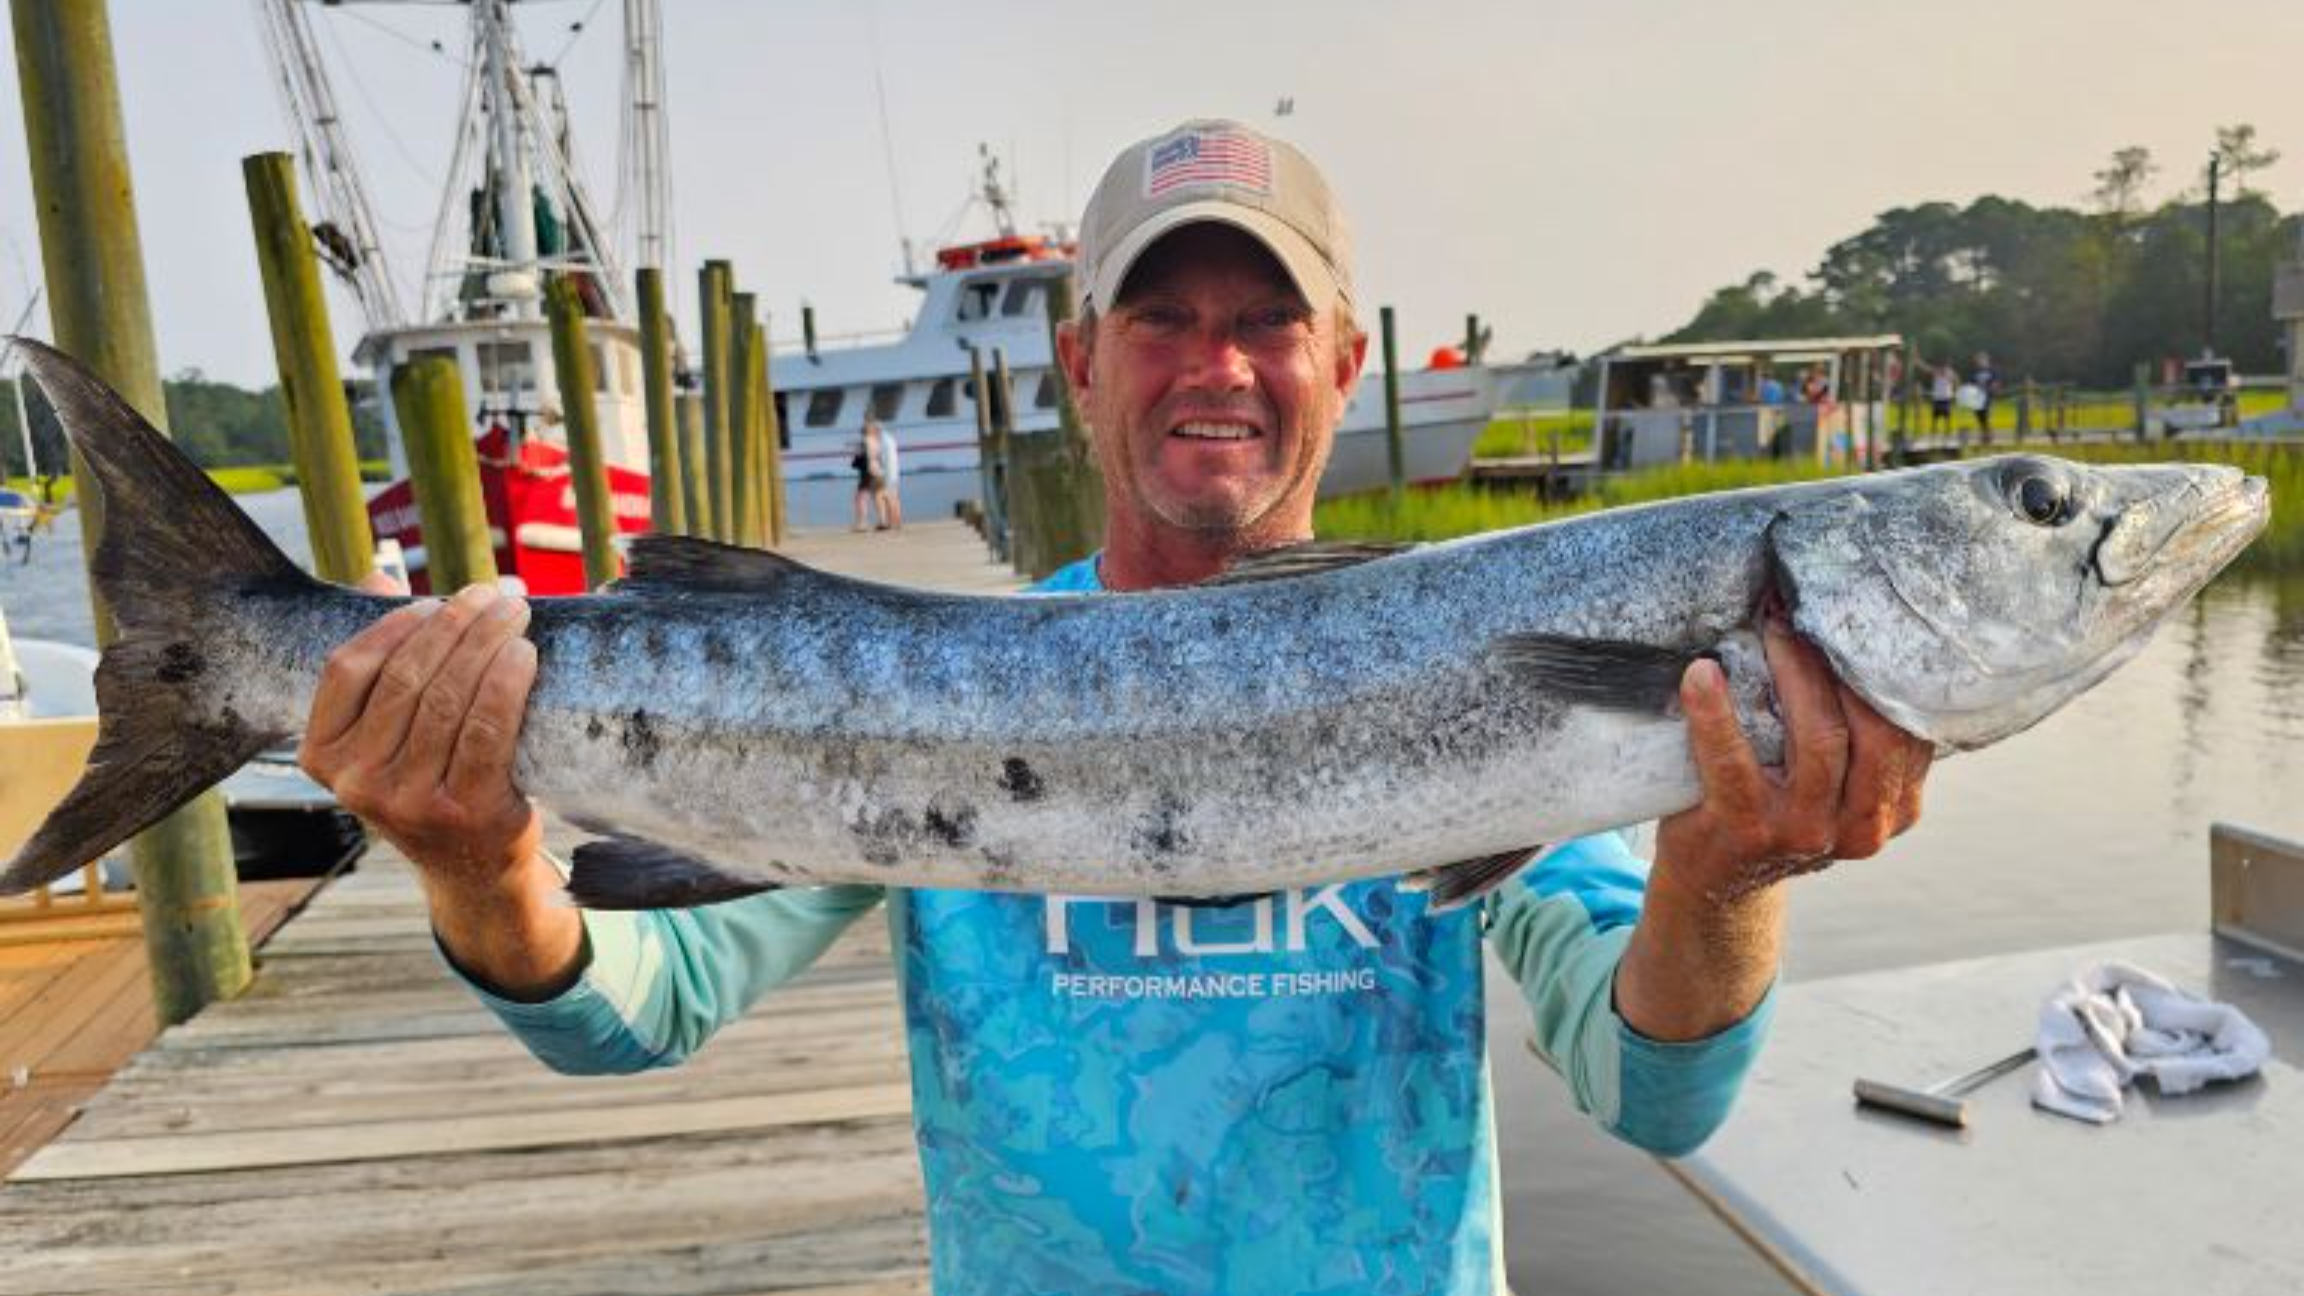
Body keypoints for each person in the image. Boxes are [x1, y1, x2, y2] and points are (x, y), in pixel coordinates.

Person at [299, 118, 1934, 1295]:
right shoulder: (934, 702)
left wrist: (1721, 875)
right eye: (1162, 316)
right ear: (1078, 362)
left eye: (1262, 320)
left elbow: (1652, 1090)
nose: (1212, 363)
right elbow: (630, 1010)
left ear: (1341, 364)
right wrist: (477, 863)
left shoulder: (1480, 649)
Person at [851, 419, 887, 532]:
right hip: (879, 471)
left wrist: (855, 461)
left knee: (861, 498)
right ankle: (883, 521)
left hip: (868, 472)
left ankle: (862, 524)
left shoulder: (863, 442)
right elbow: (879, 457)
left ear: (864, 431)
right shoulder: (877, 441)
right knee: (878, 497)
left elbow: (858, 457)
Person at [876, 422, 904, 531]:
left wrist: (882, 474)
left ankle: (890, 523)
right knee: (894, 498)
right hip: (894, 473)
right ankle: (897, 522)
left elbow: (885, 460)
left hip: (888, 473)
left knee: (885, 497)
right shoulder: (890, 439)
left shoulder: (883, 441)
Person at [1969, 351, 1999, 442]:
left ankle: (1988, 436)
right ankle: (1985, 434)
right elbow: (1972, 384)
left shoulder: (1992, 370)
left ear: (1986, 360)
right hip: (1977, 397)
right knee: (1979, 416)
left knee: (1986, 415)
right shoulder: (1975, 371)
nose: (1979, 361)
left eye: (1981, 359)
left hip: (1987, 396)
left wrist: (1990, 388)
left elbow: (1996, 383)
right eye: (1977, 360)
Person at [1929, 362, 1957, 433]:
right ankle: (1934, 429)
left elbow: (1956, 380)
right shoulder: (1936, 373)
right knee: (1935, 415)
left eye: (1945, 367)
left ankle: (1947, 430)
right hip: (1937, 398)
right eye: (1942, 367)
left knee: (1947, 414)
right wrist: (1918, 361)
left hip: (1946, 398)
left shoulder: (1950, 374)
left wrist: (1951, 377)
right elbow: (1927, 368)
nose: (1943, 369)